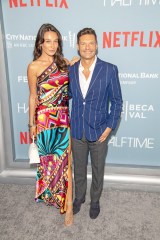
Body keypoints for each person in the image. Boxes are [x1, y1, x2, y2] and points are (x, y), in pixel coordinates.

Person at [69, 28, 123, 219]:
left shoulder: (109, 69)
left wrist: (109, 127)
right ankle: (79, 198)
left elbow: (116, 101)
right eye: (83, 43)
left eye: (91, 43)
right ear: (77, 46)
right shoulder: (70, 69)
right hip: (77, 129)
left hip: (100, 130)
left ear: (97, 45)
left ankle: (95, 200)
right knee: (79, 169)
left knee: (98, 170)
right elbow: (66, 96)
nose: (87, 47)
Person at [27, 23, 73, 226]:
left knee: (64, 162)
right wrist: (31, 126)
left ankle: (66, 202)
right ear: (40, 43)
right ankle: (52, 196)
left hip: (63, 118)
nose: (52, 45)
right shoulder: (33, 66)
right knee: (49, 162)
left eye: (56, 41)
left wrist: (77, 62)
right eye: (48, 41)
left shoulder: (63, 62)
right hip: (44, 120)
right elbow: (32, 98)